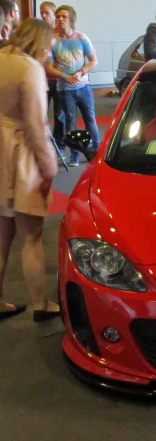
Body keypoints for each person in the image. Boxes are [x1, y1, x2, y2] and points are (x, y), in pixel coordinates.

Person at [0, 18, 59, 321]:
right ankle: (42, 304)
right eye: (48, 47)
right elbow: (37, 127)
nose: (49, 53)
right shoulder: (30, 69)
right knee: (32, 236)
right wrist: (49, 169)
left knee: (2, 235)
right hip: (20, 157)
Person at [47, 5, 100, 167]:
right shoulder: (53, 41)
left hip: (83, 87)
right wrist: (65, 76)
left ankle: (97, 151)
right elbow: (48, 66)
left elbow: (93, 61)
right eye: (58, 16)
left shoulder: (81, 38)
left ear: (71, 19)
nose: (60, 19)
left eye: (64, 16)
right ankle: (74, 155)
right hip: (64, 89)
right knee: (71, 122)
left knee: (90, 119)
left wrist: (81, 72)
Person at [39, 1, 65, 155]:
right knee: (40, 114)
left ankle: (59, 147)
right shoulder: (40, 33)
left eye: (46, 13)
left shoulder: (61, 33)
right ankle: (42, 146)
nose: (43, 15)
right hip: (42, 80)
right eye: (41, 12)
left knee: (59, 116)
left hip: (59, 80)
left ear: (53, 15)